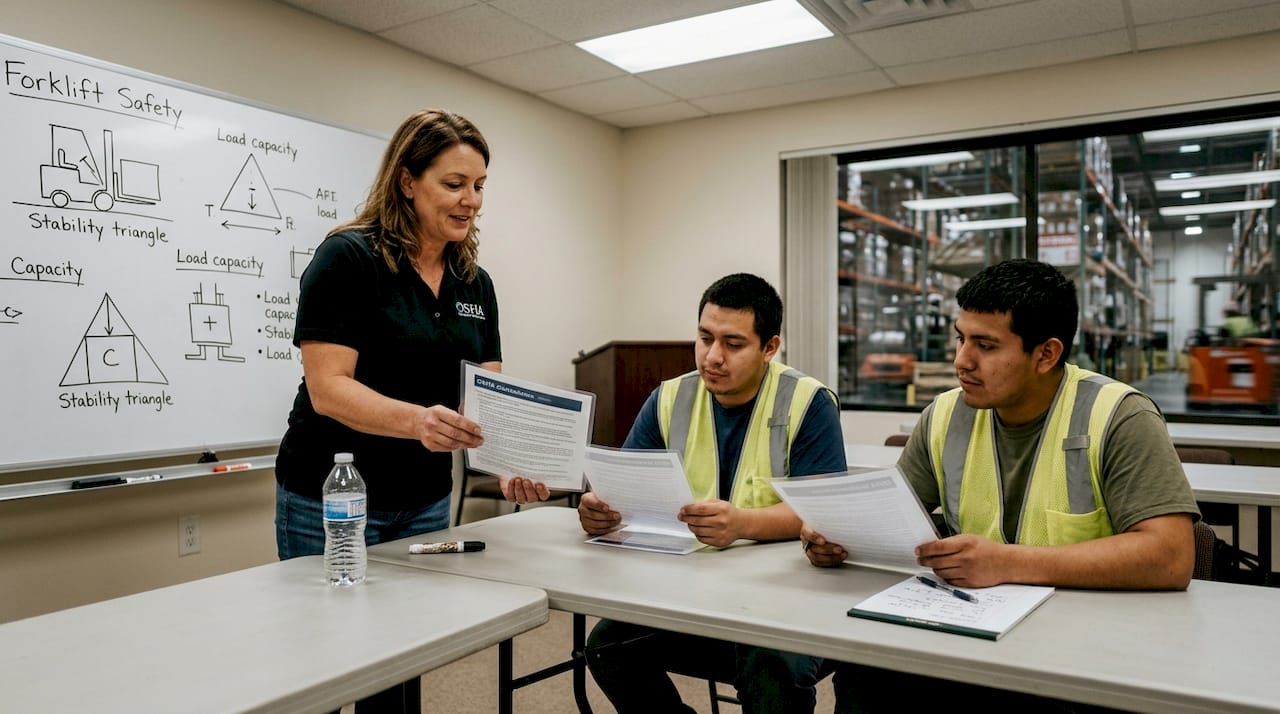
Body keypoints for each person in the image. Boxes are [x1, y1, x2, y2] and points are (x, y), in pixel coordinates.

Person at [804, 259, 1200, 712]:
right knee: (867, 670)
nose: (961, 361)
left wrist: (1007, 562)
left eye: (986, 345)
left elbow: (1171, 557)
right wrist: (834, 537)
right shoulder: (946, 415)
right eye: (961, 338)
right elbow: (888, 516)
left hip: (1084, 656)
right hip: (972, 638)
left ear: (1046, 354)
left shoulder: (1119, 417)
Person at [274, 109, 545, 714]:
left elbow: (486, 399)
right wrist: (418, 421)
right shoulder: (349, 259)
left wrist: (503, 465)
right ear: (406, 181)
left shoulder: (475, 282)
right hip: (335, 496)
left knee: (399, 666)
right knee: (321, 665)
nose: (471, 201)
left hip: (422, 502)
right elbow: (328, 388)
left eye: (478, 186)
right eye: (453, 184)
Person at [579, 273, 847, 714]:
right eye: (705, 338)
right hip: (695, 595)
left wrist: (742, 524)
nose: (713, 357)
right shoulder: (669, 397)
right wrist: (602, 510)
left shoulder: (808, 401)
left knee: (770, 662)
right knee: (609, 645)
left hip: (789, 603)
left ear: (770, 347)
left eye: (733, 344)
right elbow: (626, 487)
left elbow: (825, 514)